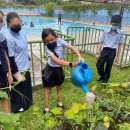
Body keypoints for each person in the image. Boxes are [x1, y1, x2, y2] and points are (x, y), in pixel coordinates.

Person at [42, 28, 82, 113]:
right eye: (47, 41)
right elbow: (56, 61)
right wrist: (72, 64)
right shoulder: (47, 48)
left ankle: (60, 104)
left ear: (56, 37)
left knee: (59, 87)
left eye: (52, 39)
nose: (50, 42)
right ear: (44, 42)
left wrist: (79, 56)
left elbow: (71, 47)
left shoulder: (60, 41)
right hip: (50, 69)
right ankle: (46, 109)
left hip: (58, 69)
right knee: (48, 90)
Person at [5, 12, 33, 113]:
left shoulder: (22, 33)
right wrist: (16, 73)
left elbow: (25, 49)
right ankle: (18, 108)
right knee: (18, 90)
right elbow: (10, 57)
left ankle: (28, 104)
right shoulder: (8, 37)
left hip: (25, 65)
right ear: (8, 24)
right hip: (16, 67)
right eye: (14, 25)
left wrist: (28, 61)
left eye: (19, 24)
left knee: (27, 87)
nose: (17, 26)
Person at [95, 14, 124, 83]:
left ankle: (105, 81)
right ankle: (103, 75)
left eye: (117, 25)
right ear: (111, 23)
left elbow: (120, 45)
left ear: (119, 24)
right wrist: (97, 53)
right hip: (105, 50)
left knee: (108, 66)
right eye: (114, 24)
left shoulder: (120, 33)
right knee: (99, 65)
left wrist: (118, 57)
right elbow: (101, 42)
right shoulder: (105, 31)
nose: (115, 26)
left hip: (113, 51)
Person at [0, 11, 13, 114]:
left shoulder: (2, 37)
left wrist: (9, 73)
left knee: (4, 95)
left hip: (2, 71)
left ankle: (8, 118)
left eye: (0, 21)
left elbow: (6, 56)